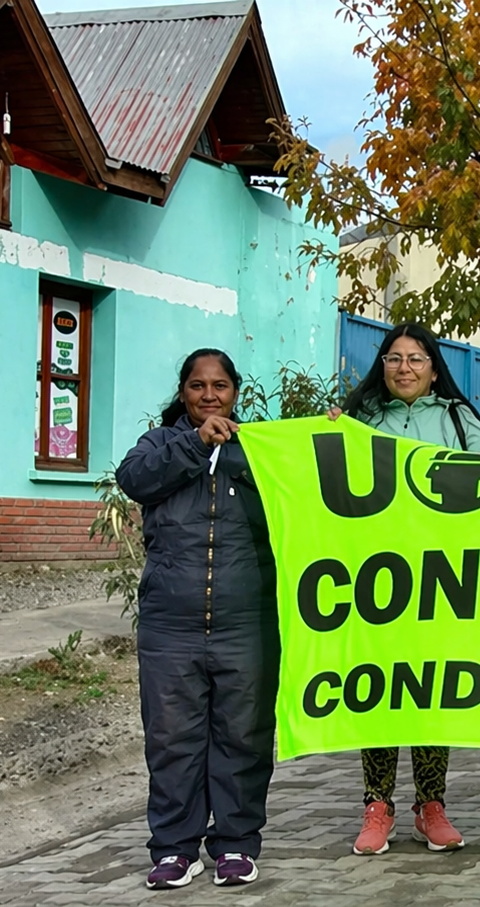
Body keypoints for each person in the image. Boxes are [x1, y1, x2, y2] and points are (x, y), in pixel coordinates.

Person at [117, 349, 277, 889]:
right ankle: (174, 849)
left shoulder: (261, 449)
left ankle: (235, 844)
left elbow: (312, 483)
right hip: (170, 627)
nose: (209, 395)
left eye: (220, 386)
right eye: (197, 385)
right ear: (183, 392)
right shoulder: (160, 444)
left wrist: (328, 434)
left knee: (243, 738)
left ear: (236, 392)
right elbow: (134, 479)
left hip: (246, 624)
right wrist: (196, 443)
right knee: (172, 742)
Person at [326, 322, 480, 855]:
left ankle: (430, 806)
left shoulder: (460, 420)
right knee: (378, 689)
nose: (404, 368)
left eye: (416, 359)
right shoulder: (360, 420)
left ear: (434, 369)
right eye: (394, 358)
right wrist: (328, 436)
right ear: (382, 366)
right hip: (377, 578)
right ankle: (377, 806)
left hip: (443, 580)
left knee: (431, 692)